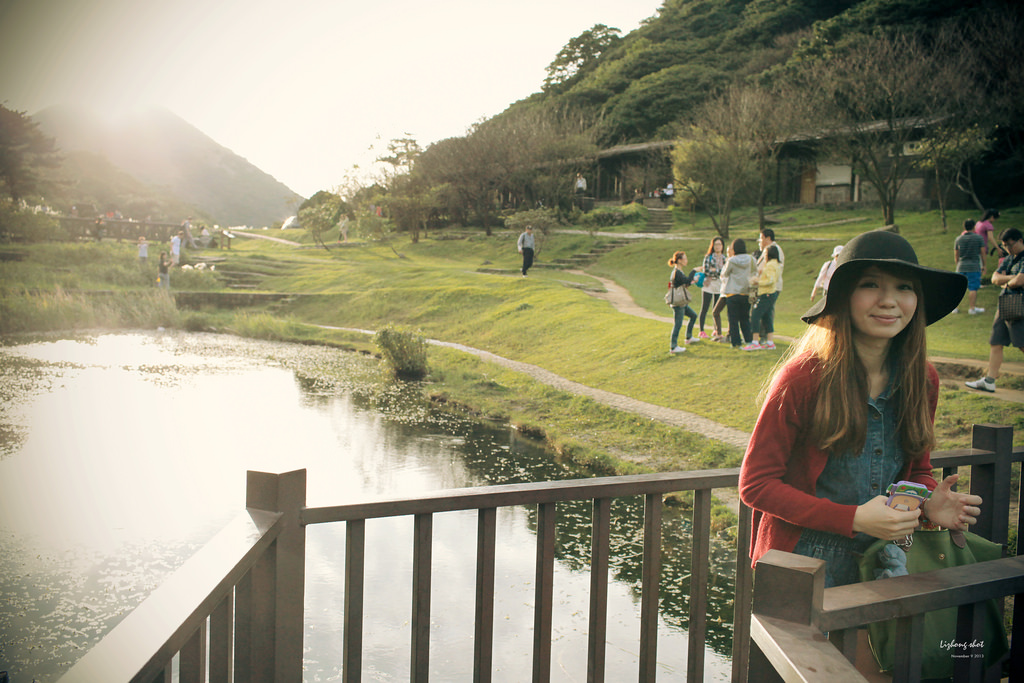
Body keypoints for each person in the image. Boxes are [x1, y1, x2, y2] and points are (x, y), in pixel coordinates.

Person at [740, 230, 978, 590]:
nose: (889, 300)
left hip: (883, 559)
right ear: (844, 296)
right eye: (871, 285)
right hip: (800, 561)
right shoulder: (802, 378)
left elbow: (918, 469)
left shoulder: (922, 379)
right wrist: (853, 518)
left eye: (904, 287)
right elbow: (756, 484)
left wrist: (927, 503)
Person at [966, 227, 1024, 393]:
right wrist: (1011, 279)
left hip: (1019, 305)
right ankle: (989, 380)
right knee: (996, 341)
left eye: (1010, 244)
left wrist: (1007, 282)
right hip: (1005, 303)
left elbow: (1020, 281)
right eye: (1004, 245)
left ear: (1020, 241)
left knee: (1021, 343)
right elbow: (994, 278)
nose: (1007, 248)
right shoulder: (1009, 258)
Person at [719, 239, 756, 349]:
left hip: (732, 292)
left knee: (733, 319)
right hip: (746, 292)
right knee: (745, 318)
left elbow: (724, 274)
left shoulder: (731, 260)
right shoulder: (751, 259)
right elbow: (755, 271)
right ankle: (748, 340)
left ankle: (736, 343)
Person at [746, 244, 782, 350]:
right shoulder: (776, 264)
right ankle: (770, 342)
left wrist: (758, 282)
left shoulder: (770, 265)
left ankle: (755, 342)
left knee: (755, 315)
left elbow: (770, 280)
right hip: (771, 293)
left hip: (766, 293)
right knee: (767, 317)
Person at [667, 251, 699, 353]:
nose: (686, 260)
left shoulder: (679, 272)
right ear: (680, 261)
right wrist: (694, 271)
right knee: (678, 324)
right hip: (678, 304)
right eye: (685, 258)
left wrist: (693, 281)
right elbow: (687, 280)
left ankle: (689, 337)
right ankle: (673, 347)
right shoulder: (677, 272)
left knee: (693, 316)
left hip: (682, 303)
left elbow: (685, 283)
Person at [755, 228, 784, 341]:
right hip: (765, 286)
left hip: (771, 286)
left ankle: (765, 337)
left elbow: (777, 267)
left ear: (768, 238)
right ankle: (763, 336)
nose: (760, 241)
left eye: (762, 238)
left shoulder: (775, 249)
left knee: (766, 311)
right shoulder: (766, 250)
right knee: (765, 311)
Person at [954, 218, 986, 315]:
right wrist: (984, 265)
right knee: (973, 288)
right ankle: (972, 308)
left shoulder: (959, 239)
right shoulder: (978, 238)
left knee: (958, 288)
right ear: (974, 227)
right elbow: (983, 253)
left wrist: (958, 264)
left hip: (961, 266)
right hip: (974, 266)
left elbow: (956, 254)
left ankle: (955, 308)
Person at [698, 236, 727, 339]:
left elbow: (725, 272)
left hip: (719, 285)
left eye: (719, 244)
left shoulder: (724, 258)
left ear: (722, 246)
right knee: (705, 307)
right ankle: (701, 330)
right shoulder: (708, 257)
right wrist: (718, 271)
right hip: (709, 284)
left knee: (716, 309)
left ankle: (716, 330)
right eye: (716, 244)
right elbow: (707, 271)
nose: (717, 246)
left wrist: (715, 270)